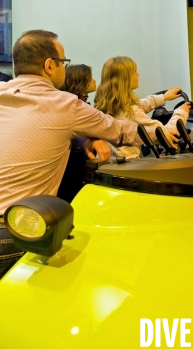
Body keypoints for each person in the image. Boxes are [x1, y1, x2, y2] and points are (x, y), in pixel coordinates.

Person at [0, 30, 178, 278]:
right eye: (64, 62)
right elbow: (121, 130)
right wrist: (170, 134)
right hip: (14, 230)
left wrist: (83, 137)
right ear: (50, 66)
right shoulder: (66, 104)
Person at [95, 56, 190, 158]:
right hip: (131, 166)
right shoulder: (132, 112)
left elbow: (139, 104)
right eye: (134, 72)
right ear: (126, 78)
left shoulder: (104, 106)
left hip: (109, 164)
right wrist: (181, 112)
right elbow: (166, 134)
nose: (138, 74)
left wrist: (163, 97)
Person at [57, 64, 98, 202]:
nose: (94, 81)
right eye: (90, 78)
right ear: (80, 83)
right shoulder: (75, 107)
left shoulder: (82, 103)